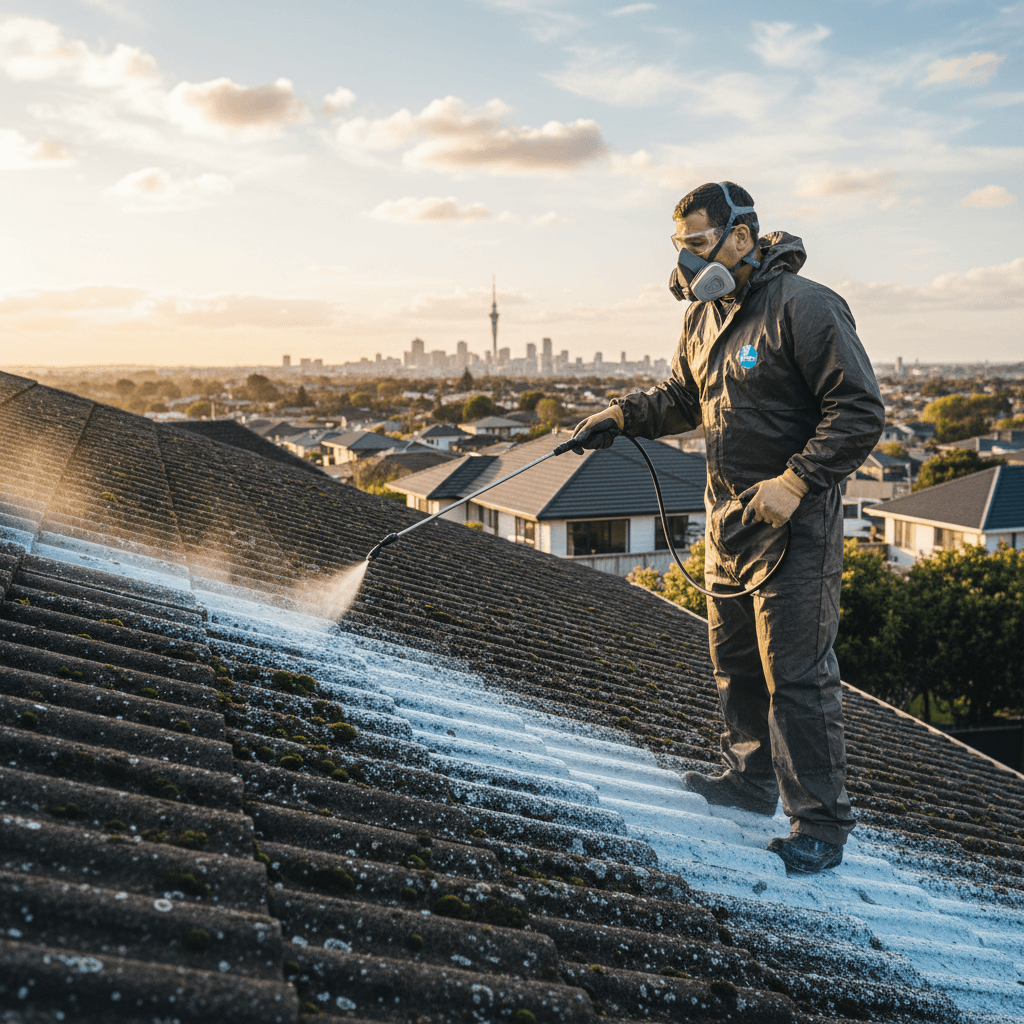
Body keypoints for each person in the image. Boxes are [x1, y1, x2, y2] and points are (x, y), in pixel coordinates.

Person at [571, 181, 884, 874]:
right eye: (679, 247)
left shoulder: (805, 308)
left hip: (793, 525)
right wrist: (623, 416)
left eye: (697, 244)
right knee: (736, 662)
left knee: (796, 674)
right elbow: (686, 397)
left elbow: (858, 411)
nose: (686, 262)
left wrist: (796, 482)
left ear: (742, 237)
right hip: (729, 520)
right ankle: (748, 783)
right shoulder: (705, 317)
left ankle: (821, 825)